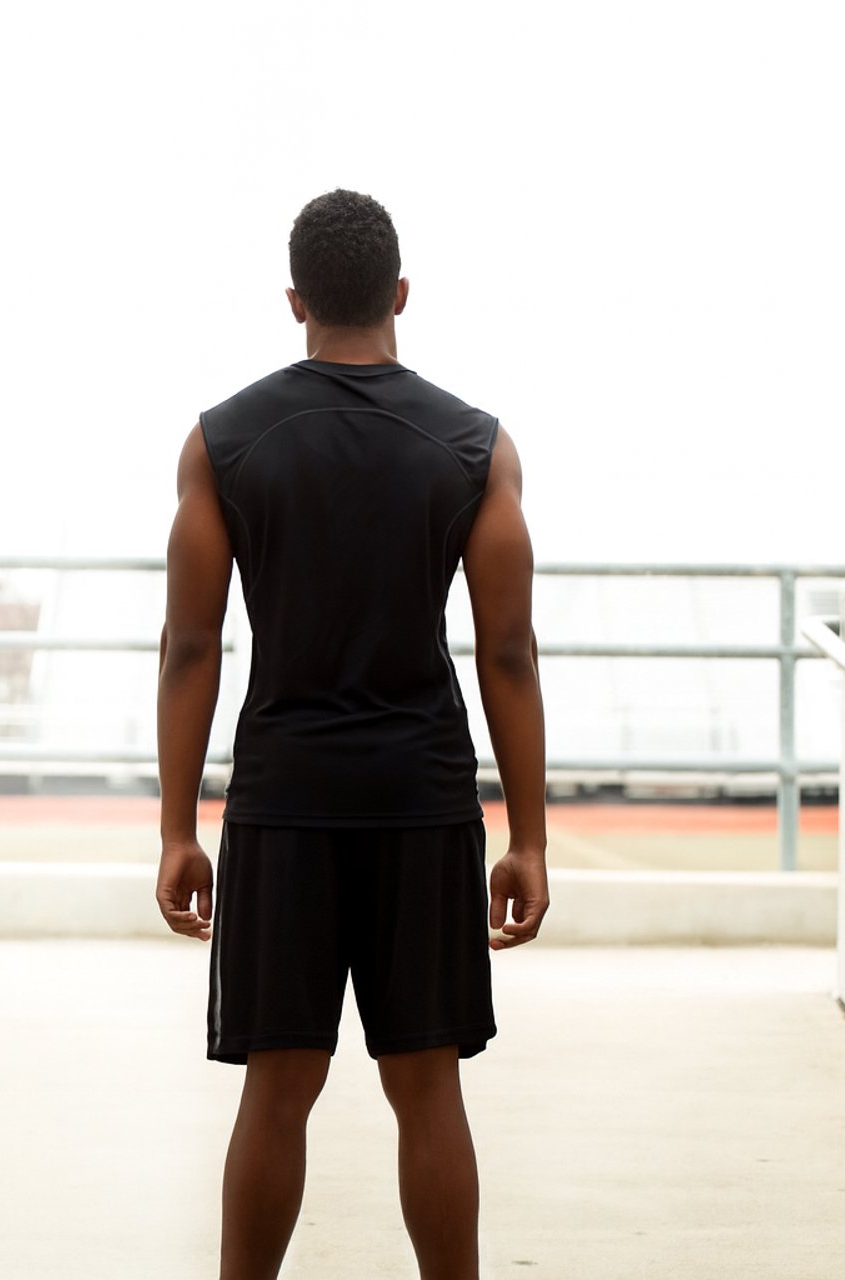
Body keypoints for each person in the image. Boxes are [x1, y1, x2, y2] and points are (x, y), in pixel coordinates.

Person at [154, 188, 549, 1280]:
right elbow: (508, 652)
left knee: (277, 1084)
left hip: (283, 798)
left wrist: (178, 826)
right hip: (420, 798)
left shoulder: (223, 442)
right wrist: (531, 836)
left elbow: (192, 647)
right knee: (427, 1084)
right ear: (401, 295)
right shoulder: (475, 446)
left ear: (296, 301)